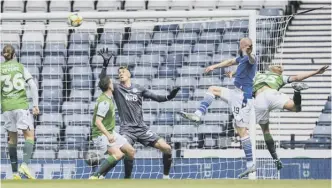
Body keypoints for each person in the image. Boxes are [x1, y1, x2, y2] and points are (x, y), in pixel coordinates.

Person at [179, 38, 257, 178]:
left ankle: (250, 164)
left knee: (242, 132)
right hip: (235, 94)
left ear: (246, 46)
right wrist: (214, 67)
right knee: (212, 89)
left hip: (243, 99)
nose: (239, 47)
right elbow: (229, 62)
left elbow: (251, 60)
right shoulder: (241, 58)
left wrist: (249, 53)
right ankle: (198, 114)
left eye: (241, 45)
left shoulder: (251, 57)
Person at [98, 48, 180, 179]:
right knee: (124, 152)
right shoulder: (117, 88)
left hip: (142, 128)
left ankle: (166, 177)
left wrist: (169, 97)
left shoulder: (139, 88)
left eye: (123, 71)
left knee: (167, 148)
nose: (120, 74)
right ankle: (120, 178)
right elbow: (102, 82)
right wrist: (105, 64)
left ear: (129, 74)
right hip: (127, 129)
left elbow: (157, 98)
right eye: (119, 73)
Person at [243, 64, 328, 170]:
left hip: (259, 99)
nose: (279, 66)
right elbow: (297, 77)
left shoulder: (257, 75)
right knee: (296, 108)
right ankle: (297, 91)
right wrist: (316, 72)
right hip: (272, 94)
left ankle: (275, 159)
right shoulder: (280, 77)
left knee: (266, 131)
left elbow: (243, 77)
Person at [89, 49, 135, 179]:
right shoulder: (104, 102)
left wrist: (105, 64)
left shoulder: (108, 95)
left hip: (110, 131)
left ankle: (127, 180)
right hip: (101, 135)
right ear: (109, 86)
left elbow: (102, 80)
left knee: (130, 151)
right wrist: (108, 135)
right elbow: (98, 122)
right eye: (111, 82)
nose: (113, 82)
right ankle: (96, 176)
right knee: (118, 155)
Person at [1, 44, 39, 179]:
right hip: (21, 106)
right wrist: (35, 105)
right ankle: (24, 164)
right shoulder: (20, 67)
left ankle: (15, 173)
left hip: (6, 107)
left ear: (3, 56)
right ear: (14, 55)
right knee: (29, 136)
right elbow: (32, 85)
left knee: (12, 139)